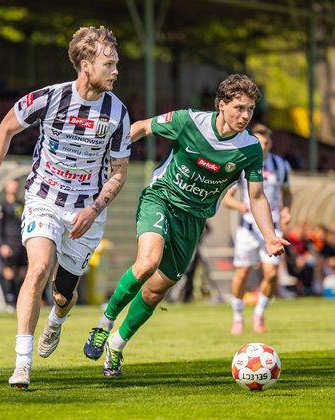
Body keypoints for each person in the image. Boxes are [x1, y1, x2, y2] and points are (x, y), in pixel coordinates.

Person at [82, 74, 289, 377]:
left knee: (156, 290)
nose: (245, 116)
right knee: (147, 263)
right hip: (161, 198)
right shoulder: (188, 121)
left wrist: (269, 236)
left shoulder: (250, 149)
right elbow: (142, 127)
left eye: (250, 109)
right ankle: (103, 325)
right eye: (239, 108)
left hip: (194, 218)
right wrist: (106, 155)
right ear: (221, 105)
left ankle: (116, 345)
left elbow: (256, 197)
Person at [0, 26, 132, 388]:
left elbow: (119, 173)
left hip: (86, 210)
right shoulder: (49, 98)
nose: (115, 71)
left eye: (116, 64)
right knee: (38, 268)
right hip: (43, 198)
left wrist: (94, 209)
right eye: (108, 64)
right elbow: (5, 128)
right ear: (85, 65)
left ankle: (57, 321)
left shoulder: (117, 112)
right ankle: (22, 363)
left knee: (63, 294)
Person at [222, 123, 292, 334]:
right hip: (248, 228)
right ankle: (237, 315)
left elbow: (287, 192)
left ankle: (259, 313)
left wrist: (287, 209)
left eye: (265, 143)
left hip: (273, 228)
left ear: (270, 144)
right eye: (258, 142)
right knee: (242, 272)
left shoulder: (281, 165)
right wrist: (241, 206)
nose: (262, 146)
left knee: (271, 274)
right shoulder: (243, 163)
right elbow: (227, 199)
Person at [0, 179, 27, 310]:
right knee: (9, 272)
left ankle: (20, 300)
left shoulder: (21, 205)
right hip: (9, 243)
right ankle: (10, 301)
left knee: (23, 272)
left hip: (21, 243)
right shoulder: (1, 207)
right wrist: (2, 244)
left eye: (16, 186)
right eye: (12, 186)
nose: (15, 188)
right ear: (6, 188)